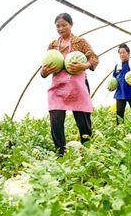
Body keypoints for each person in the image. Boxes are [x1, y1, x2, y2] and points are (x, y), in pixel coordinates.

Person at [40, 12, 99, 156]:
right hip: (58, 88)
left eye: (64, 25)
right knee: (56, 120)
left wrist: (83, 66)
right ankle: (60, 153)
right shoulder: (53, 45)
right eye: (58, 26)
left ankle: (87, 151)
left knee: (83, 120)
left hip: (77, 87)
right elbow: (43, 71)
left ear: (71, 25)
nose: (61, 28)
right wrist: (45, 72)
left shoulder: (80, 42)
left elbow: (94, 59)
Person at [109, 43, 131, 124]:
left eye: (123, 52)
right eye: (120, 53)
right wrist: (111, 87)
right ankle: (120, 131)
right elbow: (114, 79)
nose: (121, 54)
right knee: (119, 114)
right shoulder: (117, 66)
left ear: (128, 53)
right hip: (120, 92)